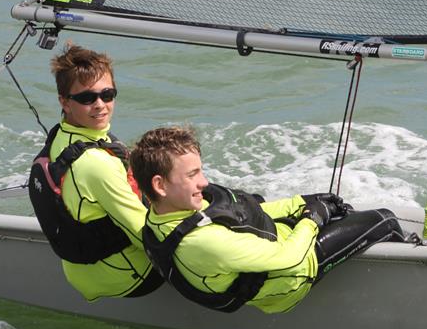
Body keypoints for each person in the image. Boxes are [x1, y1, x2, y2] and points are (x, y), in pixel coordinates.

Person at [129, 126, 406, 314]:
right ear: (160, 185)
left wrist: (302, 203)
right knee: (384, 220)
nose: (204, 182)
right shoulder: (203, 243)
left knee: (342, 212)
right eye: (192, 175)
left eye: (201, 171)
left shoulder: (165, 212)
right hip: (294, 274)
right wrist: (313, 219)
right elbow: (290, 258)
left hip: (278, 238)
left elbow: (243, 212)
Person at [29, 43, 162, 301]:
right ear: (64, 102)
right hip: (128, 275)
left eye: (108, 94)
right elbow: (146, 236)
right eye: (87, 98)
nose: (100, 105)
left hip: (82, 271)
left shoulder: (62, 137)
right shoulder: (96, 163)